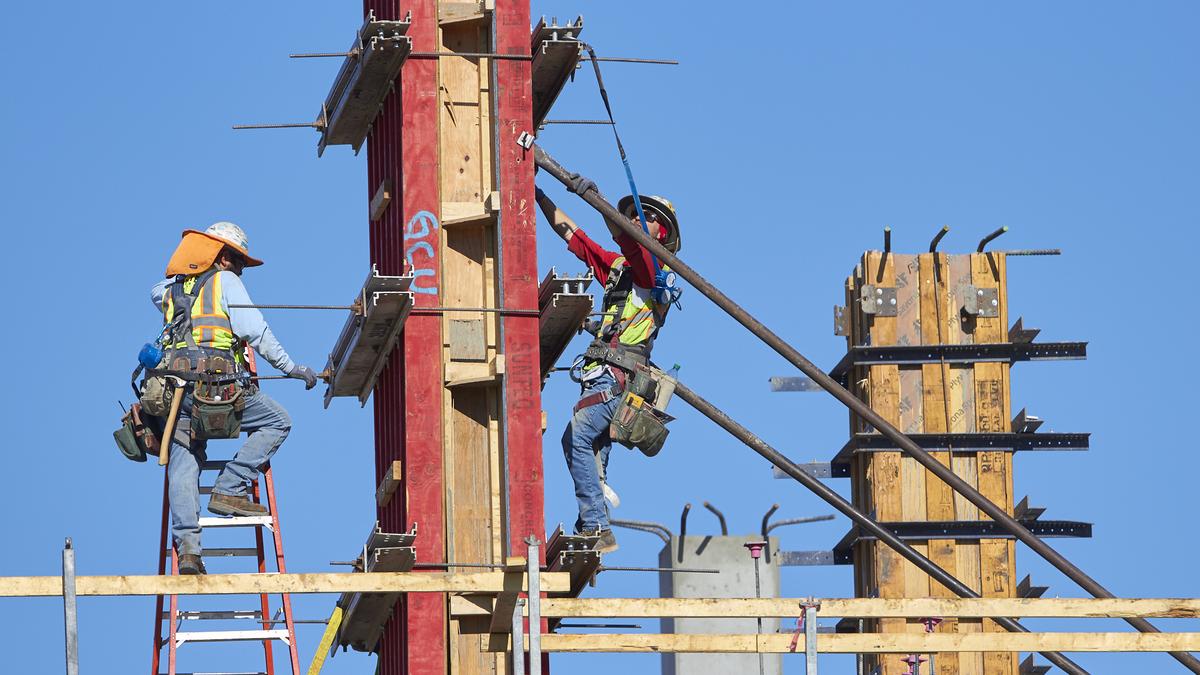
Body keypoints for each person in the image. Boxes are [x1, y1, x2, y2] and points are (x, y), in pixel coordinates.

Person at [149, 222, 320, 575]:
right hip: (219, 389)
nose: (242, 270)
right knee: (278, 421)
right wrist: (292, 368)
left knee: (183, 464)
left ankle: (189, 552)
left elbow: (155, 292)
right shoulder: (226, 282)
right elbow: (256, 333)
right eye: (239, 261)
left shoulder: (171, 291)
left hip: (177, 393)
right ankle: (230, 487)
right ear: (223, 258)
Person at [535, 176, 681, 553]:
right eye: (634, 213)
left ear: (660, 234)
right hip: (603, 376)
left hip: (618, 380)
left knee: (576, 436)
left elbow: (628, 241)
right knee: (593, 458)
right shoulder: (620, 269)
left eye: (647, 217)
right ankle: (591, 527)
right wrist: (535, 193)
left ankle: (597, 527)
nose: (637, 219)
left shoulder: (652, 270)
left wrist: (595, 198)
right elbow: (575, 238)